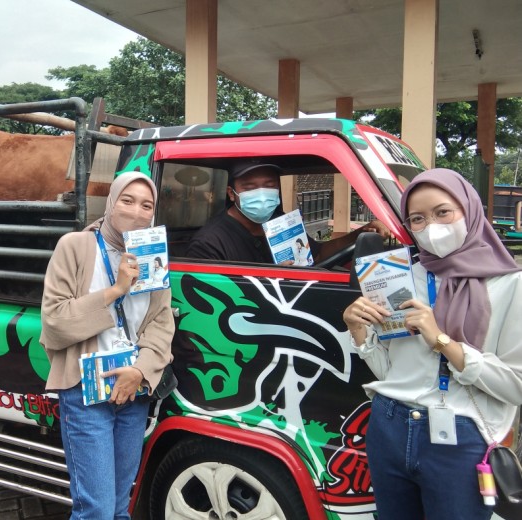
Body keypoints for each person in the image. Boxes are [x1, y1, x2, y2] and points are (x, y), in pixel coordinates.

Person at [342, 168, 522, 519]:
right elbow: (390, 372)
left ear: (469, 210)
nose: (431, 227)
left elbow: (516, 386)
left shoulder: (509, 285)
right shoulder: (402, 276)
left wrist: (442, 340)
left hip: (462, 437)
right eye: (418, 219)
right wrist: (357, 328)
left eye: (443, 212)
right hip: (389, 425)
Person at [40, 171, 175, 520]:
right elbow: (54, 321)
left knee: (118, 507)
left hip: (132, 391)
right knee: (96, 510)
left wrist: (140, 371)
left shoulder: (152, 254)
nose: (137, 211)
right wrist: (116, 290)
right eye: (127, 201)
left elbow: (161, 323)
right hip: (86, 392)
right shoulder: (75, 246)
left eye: (147, 205)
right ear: (111, 202)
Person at [186, 160, 391, 264]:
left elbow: (318, 254)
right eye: (250, 187)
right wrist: (273, 278)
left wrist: (360, 234)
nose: (262, 194)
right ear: (232, 194)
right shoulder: (209, 242)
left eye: (269, 186)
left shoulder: (281, 222)